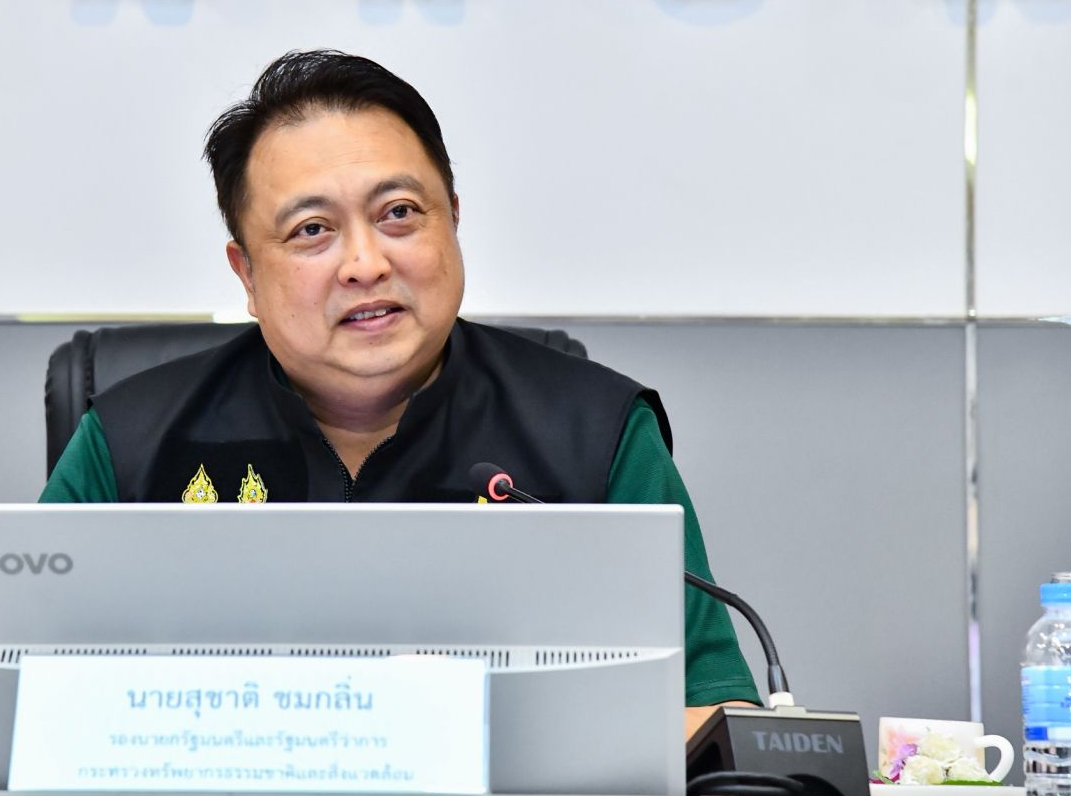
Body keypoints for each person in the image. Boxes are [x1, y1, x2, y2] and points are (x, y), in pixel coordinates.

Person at [41, 49, 761, 734]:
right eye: (312, 229)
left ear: (454, 218)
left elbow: (710, 720)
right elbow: (22, 699)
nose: (365, 263)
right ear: (247, 274)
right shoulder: (133, 442)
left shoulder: (594, 434)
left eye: (399, 213)